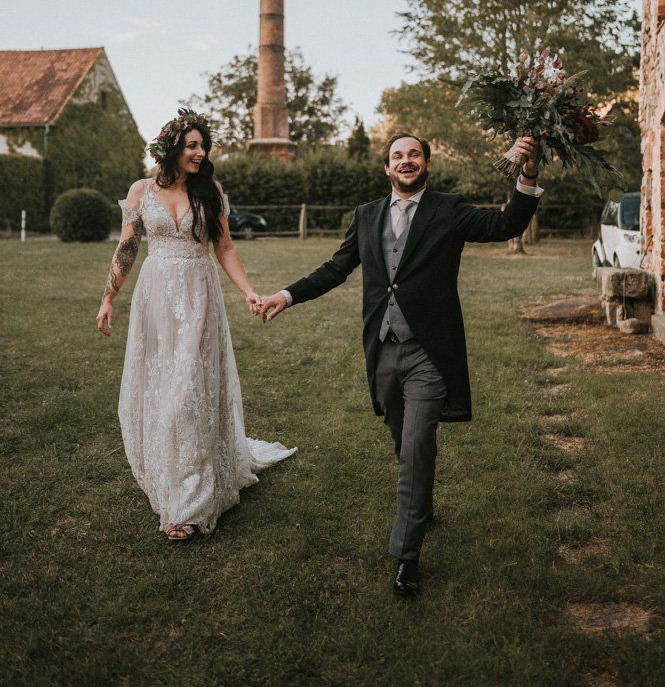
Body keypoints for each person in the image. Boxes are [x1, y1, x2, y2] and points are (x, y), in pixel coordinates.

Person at [258, 132, 541, 596]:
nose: (406, 161)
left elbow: (507, 223)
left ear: (427, 162)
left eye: (414, 154)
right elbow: (335, 268)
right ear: (387, 168)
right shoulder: (366, 216)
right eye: (397, 156)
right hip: (384, 349)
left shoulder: (448, 210)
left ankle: (406, 557)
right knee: (401, 439)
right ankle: (422, 507)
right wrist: (286, 296)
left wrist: (528, 173)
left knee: (415, 449)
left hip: (430, 352)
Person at [96, 108, 295, 543]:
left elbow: (224, 248)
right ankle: (170, 470)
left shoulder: (210, 190)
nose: (200, 153)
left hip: (199, 296)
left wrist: (248, 292)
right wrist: (109, 297)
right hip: (156, 300)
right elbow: (127, 248)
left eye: (203, 146)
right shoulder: (141, 190)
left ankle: (187, 504)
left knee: (190, 388)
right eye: (192, 145)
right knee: (163, 386)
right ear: (171, 148)